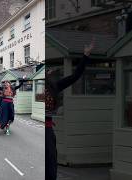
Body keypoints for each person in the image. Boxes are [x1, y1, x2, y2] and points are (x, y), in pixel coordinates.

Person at [46, 40, 94, 180]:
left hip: (48, 131)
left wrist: (85, 55)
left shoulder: (53, 86)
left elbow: (75, 77)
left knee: (50, 165)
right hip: (45, 131)